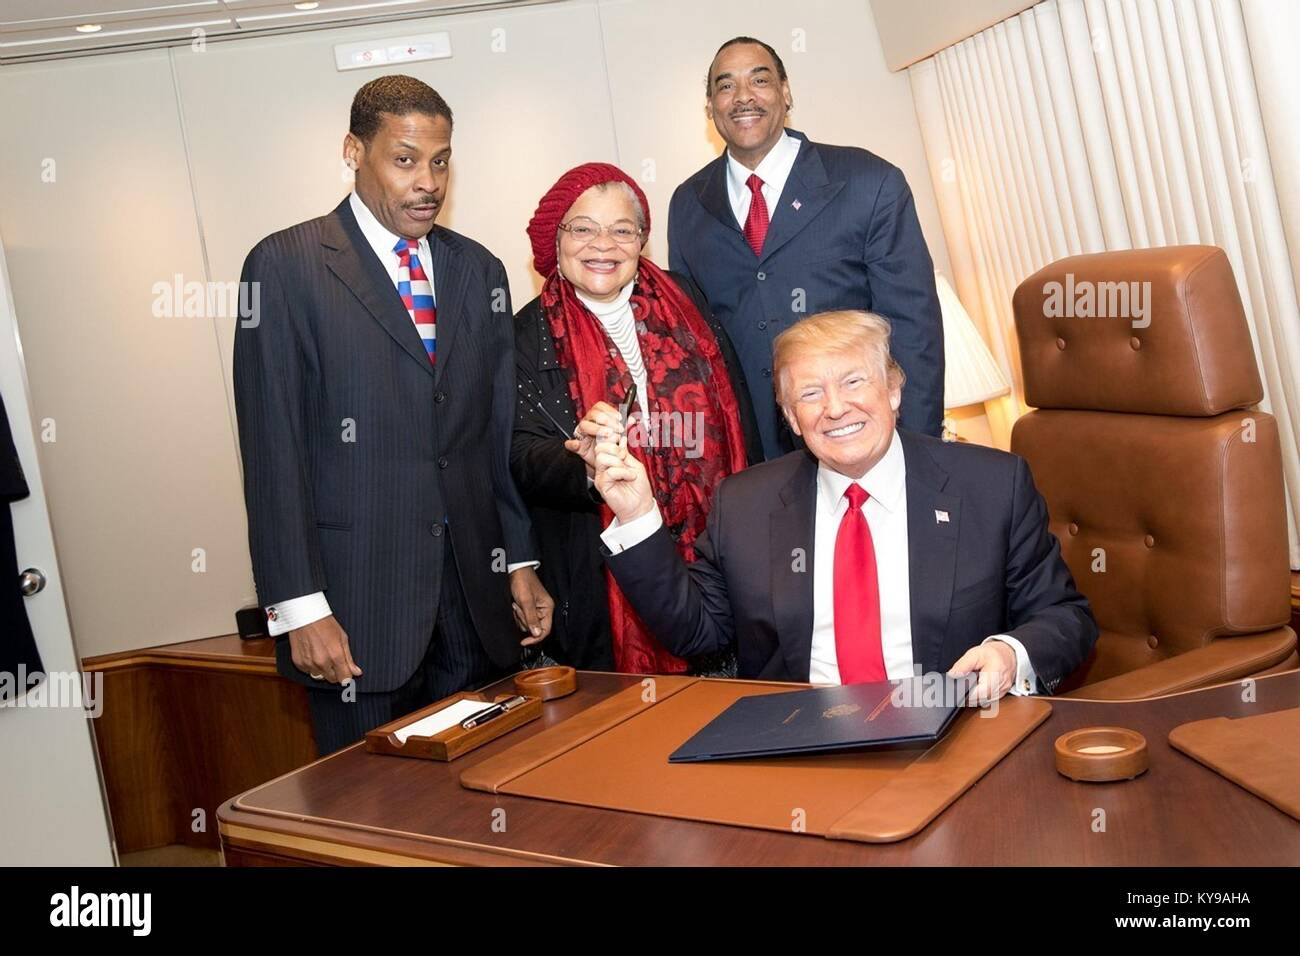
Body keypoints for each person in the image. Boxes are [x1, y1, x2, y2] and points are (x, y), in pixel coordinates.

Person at [233, 75, 552, 755]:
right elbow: (272, 455)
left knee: (486, 811)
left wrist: (518, 561)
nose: (427, 182)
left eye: (440, 161)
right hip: (357, 615)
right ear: (354, 150)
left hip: (476, 608)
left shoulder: (480, 271)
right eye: (404, 160)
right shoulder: (285, 267)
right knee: (373, 825)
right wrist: (300, 608)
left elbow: (491, 439)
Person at [593, 309, 1097, 700]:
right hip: (801, 753)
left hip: (952, 737)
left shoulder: (991, 485)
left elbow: (1065, 618)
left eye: (854, 381)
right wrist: (638, 518)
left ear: (894, 390)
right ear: (790, 417)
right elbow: (696, 633)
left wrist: (1009, 654)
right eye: (810, 393)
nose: (835, 408)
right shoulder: (745, 504)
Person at [512, 163, 762, 674]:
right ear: (554, 239)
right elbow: (514, 456)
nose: (603, 244)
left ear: (641, 241)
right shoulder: (524, 333)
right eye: (583, 228)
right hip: (596, 567)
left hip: (719, 556)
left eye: (622, 229)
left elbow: (741, 422)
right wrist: (579, 465)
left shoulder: (687, 299)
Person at [668, 35, 945, 460]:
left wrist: (920, 452)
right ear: (710, 108)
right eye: (725, 86)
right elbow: (693, 349)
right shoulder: (688, 205)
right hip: (755, 460)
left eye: (759, 80)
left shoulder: (869, 182)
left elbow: (915, 330)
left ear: (785, 91)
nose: (743, 97)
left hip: (857, 434)